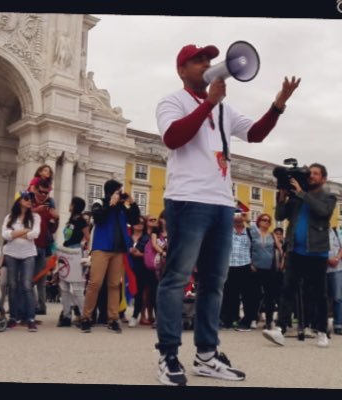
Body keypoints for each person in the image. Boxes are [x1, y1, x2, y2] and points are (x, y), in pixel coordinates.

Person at [155, 43, 300, 386]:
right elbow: (173, 138)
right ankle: (168, 355)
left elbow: (255, 134)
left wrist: (278, 104)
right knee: (176, 279)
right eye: (198, 60)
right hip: (188, 200)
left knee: (214, 284)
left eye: (208, 59)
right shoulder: (171, 101)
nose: (207, 64)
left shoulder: (225, 110)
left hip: (222, 204)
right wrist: (208, 103)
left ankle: (206, 354)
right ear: (181, 70)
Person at [262, 163, 337, 348]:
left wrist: (303, 193)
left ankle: (321, 331)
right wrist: (282, 197)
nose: (311, 176)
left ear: (323, 178)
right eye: (309, 173)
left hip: (317, 252)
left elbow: (323, 212)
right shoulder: (296, 196)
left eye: (315, 174)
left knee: (319, 293)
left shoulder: (328, 196)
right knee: (287, 289)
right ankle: (280, 330)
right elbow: (280, 216)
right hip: (295, 250)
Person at [80, 179, 140, 334]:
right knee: (95, 283)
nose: (120, 194)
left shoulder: (122, 207)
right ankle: (86, 317)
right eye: (118, 191)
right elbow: (98, 217)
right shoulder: (100, 202)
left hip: (118, 250)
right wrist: (110, 204)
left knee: (114, 285)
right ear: (111, 192)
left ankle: (113, 319)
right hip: (101, 248)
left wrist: (132, 203)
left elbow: (134, 220)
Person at [1, 191, 41, 332]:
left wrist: (14, 234)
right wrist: (24, 232)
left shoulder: (35, 217)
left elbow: (35, 234)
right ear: (19, 201)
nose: (29, 201)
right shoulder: (9, 217)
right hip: (11, 253)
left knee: (26, 285)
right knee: (12, 285)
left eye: (31, 199)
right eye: (26, 198)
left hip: (28, 254)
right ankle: (13, 317)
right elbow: (4, 234)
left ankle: (30, 318)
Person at [57, 196, 90, 327]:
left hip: (76, 251)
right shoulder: (71, 219)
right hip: (66, 251)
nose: (69, 205)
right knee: (63, 286)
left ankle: (84, 317)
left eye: (71, 203)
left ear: (75, 205)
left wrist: (84, 247)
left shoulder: (82, 220)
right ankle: (66, 315)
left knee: (77, 288)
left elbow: (87, 237)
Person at [220, 209, 255, 330]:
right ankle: (228, 319)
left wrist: (248, 219)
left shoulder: (250, 232)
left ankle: (247, 320)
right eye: (236, 215)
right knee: (229, 294)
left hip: (246, 265)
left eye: (240, 215)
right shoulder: (228, 231)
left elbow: (258, 237)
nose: (238, 218)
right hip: (229, 265)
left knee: (248, 295)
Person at [31, 178, 60, 315]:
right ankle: (29, 305)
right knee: (28, 278)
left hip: (43, 247)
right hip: (29, 247)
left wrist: (57, 218)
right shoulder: (28, 203)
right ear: (35, 190)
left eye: (46, 193)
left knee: (41, 278)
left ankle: (42, 306)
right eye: (41, 192)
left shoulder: (49, 208)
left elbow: (53, 230)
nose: (43, 195)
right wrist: (35, 210)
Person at [327, 227, 342, 335]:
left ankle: (338, 324)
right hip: (322, 269)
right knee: (322, 298)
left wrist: (337, 258)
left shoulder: (337, 232)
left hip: (337, 269)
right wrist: (328, 260)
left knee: (338, 297)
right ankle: (321, 324)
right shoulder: (316, 232)